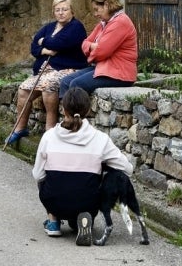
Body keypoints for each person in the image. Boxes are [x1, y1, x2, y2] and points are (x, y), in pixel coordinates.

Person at [32, 87, 133, 245]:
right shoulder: (100, 139)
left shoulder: (48, 137)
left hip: (54, 201)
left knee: (43, 175)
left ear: (63, 109)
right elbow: (127, 169)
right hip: (88, 202)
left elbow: (38, 175)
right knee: (108, 173)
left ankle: (53, 220)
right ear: (88, 109)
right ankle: (85, 218)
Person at [5, 0, 88, 145]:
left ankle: (49, 131)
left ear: (72, 11)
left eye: (64, 9)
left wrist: (44, 42)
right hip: (44, 71)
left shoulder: (76, 27)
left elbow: (61, 43)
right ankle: (20, 128)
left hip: (68, 69)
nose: (61, 13)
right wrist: (46, 51)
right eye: (57, 10)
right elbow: (34, 46)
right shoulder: (49, 27)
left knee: (48, 86)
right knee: (23, 89)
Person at [58, 0, 138, 100]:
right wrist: (91, 46)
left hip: (119, 73)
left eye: (96, 9)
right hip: (105, 68)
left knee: (76, 85)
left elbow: (101, 53)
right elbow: (84, 43)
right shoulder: (104, 23)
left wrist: (93, 53)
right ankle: (68, 115)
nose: (95, 14)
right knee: (65, 82)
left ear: (106, 5)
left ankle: (75, 116)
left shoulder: (120, 22)